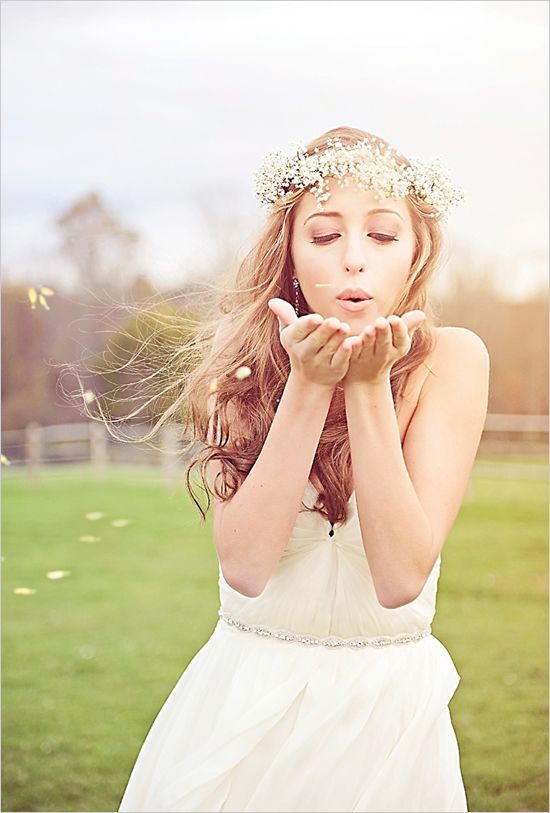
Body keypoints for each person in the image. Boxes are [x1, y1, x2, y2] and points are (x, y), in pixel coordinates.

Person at [117, 125, 489, 812]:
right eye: (324, 236)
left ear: (416, 252)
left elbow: (401, 576)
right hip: (243, 708)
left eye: (382, 235)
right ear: (289, 252)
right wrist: (310, 385)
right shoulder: (237, 367)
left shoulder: (454, 360)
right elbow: (247, 567)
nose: (354, 259)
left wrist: (370, 385)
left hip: (387, 719)